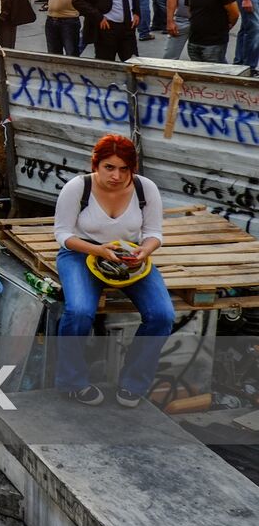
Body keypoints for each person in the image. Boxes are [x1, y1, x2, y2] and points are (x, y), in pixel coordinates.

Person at [53, 135, 173, 407]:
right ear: (95, 164)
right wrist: (97, 250)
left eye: (124, 169)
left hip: (128, 254)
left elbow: (154, 233)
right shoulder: (77, 188)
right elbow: (62, 234)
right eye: (109, 167)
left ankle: (134, 383)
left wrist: (145, 250)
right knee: (80, 311)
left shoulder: (146, 189)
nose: (117, 176)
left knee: (162, 315)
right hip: (80, 252)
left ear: (133, 169)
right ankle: (72, 381)